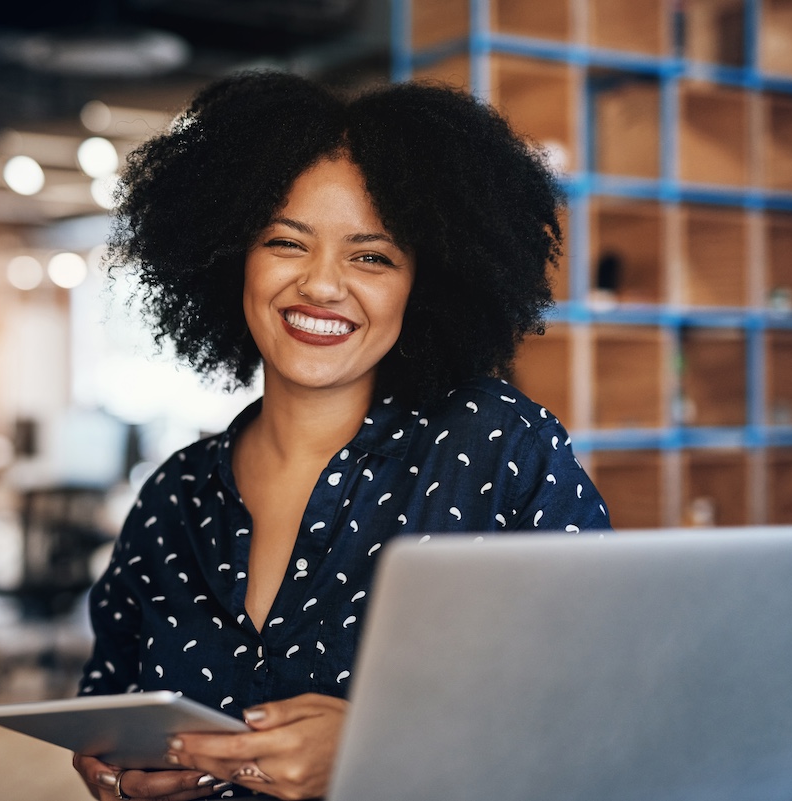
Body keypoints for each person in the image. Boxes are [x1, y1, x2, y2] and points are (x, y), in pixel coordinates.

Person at [71, 71, 612, 801]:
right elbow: (109, 706)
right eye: (287, 243)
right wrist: (121, 776)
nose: (323, 285)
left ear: (424, 282)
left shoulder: (496, 448)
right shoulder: (174, 497)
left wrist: (378, 746)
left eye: (372, 256)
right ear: (235, 257)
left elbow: (602, 713)